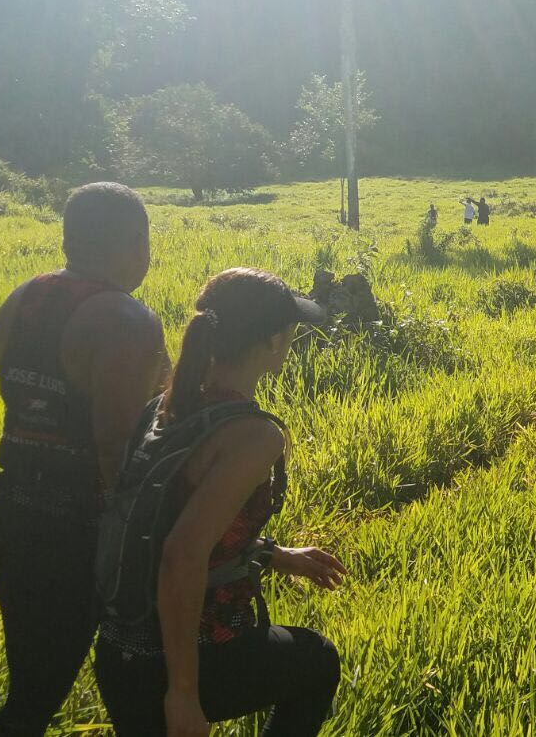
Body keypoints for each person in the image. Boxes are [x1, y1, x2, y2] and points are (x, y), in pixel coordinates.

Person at [93, 268, 346, 737]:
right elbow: (181, 553)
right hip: (179, 659)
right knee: (317, 661)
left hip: (117, 649)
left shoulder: (166, 407)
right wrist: (183, 694)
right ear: (273, 341)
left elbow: (166, 523)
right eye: (291, 333)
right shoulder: (253, 436)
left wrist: (275, 555)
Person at [0, 182, 167, 736]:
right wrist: (138, 544)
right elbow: (117, 448)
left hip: (12, 512)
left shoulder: (23, 298)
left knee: (33, 683)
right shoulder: (127, 321)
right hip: (79, 531)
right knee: (122, 688)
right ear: (137, 243)